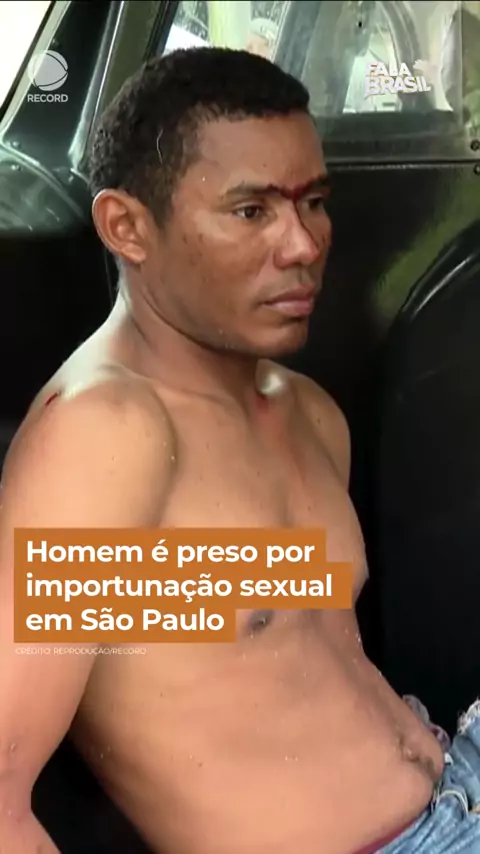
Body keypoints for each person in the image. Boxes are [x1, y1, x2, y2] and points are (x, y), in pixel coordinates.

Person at [0, 45, 480, 854]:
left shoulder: (303, 411)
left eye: (314, 202)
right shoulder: (107, 436)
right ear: (127, 227)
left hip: (452, 771)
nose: (304, 245)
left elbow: (265, 642)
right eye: (251, 211)